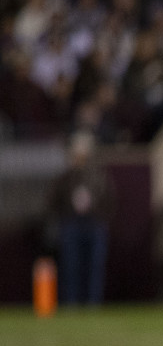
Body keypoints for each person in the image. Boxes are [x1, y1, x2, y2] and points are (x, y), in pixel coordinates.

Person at [48, 130, 113, 305]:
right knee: (71, 267)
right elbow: (54, 202)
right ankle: (71, 304)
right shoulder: (65, 178)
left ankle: (93, 304)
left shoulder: (99, 177)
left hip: (94, 225)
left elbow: (109, 200)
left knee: (94, 268)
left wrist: (101, 219)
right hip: (71, 225)